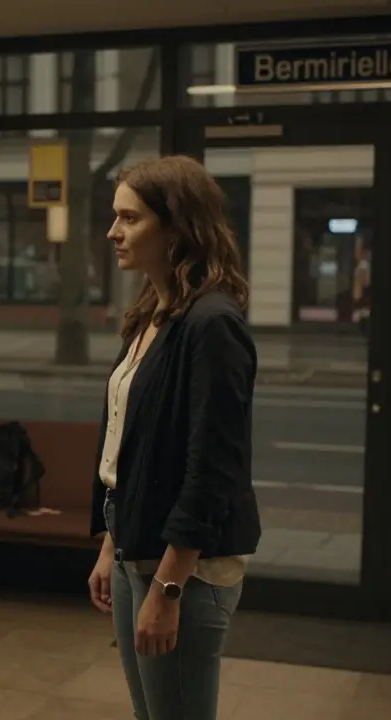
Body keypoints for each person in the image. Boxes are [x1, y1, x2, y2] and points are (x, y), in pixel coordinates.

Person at [86, 155, 262, 720]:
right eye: (116, 217)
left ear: (178, 227)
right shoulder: (152, 314)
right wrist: (110, 546)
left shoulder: (212, 324)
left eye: (130, 219)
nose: (113, 232)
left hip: (183, 568)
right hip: (134, 546)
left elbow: (212, 470)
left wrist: (168, 589)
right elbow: (126, 445)